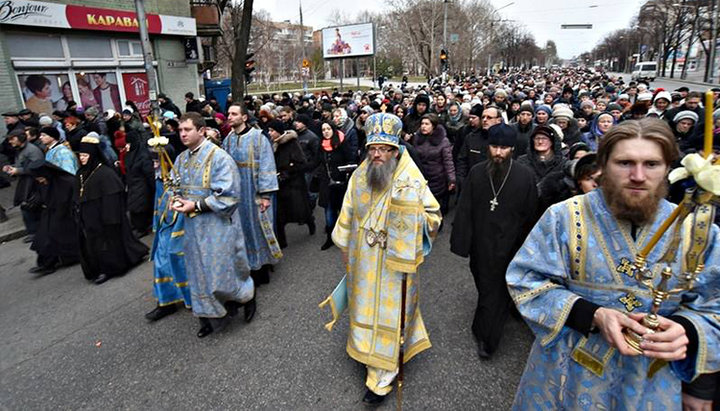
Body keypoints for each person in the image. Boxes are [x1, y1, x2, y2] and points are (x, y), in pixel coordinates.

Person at [506, 118, 720, 409]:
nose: (638, 175)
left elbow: (713, 305)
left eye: (652, 164)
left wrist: (688, 331)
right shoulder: (564, 216)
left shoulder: (697, 230)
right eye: (625, 163)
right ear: (603, 167)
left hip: (652, 381)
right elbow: (526, 280)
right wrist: (591, 314)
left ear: (668, 168)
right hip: (565, 373)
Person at [330, 113, 442, 405]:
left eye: (383, 149)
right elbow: (349, 211)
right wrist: (344, 246)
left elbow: (433, 215)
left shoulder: (410, 178)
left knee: (391, 315)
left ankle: (383, 375)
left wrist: (412, 220)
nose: (377, 155)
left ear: (395, 150)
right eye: (372, 149)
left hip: (396, 264)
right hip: (364, 261)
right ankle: (368, 355)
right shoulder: (360, 175)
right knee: (364, 309)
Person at [450, 123, 538, 359]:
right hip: (481, 243)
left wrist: (526, 250)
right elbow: (465, 208)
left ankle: (486, 339)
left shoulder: (525, 176)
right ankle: (497, 313)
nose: (498, 153)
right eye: (495, 147)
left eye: (504, 148)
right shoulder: (478, 172)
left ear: (512, 149)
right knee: (485, 285)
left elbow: (530, 215)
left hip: (510, 246)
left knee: (494, 291)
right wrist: (461, 242)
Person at [171, 112, 256, 337]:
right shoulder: (180, 159)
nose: (183, 134)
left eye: (187, 130)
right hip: (192, 228)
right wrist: (175, 199)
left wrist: (195, 206)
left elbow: (229, 196)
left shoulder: (219, 157)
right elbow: (175, 186)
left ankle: (247, 298)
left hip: (218, 225)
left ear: (201, 130)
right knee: (198, 271)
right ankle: (207, 316)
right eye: (180, 130)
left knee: (223, 270)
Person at [223, 103, 282, 285]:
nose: (230, 117)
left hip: (254, 193)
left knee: (258, 229)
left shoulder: (258, 138)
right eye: (229, 114)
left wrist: (265, 195)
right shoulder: (228, 139)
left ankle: (262, 269)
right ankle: (246, 267)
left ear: (244, 117)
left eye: (234, 114)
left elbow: (267, 166)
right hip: (236, 194)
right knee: (241, 231)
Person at [75, 136, 148, 285]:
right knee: (93, 244)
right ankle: (98, 268)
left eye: (85, 155)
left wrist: (110, 218)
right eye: (80, 155)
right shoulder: (81, 173)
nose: (82, 158)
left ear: (92, 155)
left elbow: (112, 197)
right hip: (89, 217)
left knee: (107, 244)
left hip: (104, 217)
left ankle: (109, 269)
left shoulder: (104, 173)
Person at [144, 150, 191, 322]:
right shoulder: (158, 179)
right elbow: (158, 203)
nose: (154, 165)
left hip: (181, 225)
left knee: (179, 260)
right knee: (161, 261)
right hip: (165, 227)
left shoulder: (178, 177)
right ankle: (165, 302)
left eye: (157, 162)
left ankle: (192, 299)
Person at [27, 161, 79, 275]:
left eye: (40, 178)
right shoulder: (45, 182)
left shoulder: (66, 182)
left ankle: (49, 264)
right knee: (43, 237)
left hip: (66, 215)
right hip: (51, 213)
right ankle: (46, 263)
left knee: (51, 237)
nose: (40, 181)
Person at [267, 120, 312, 249]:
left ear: (279, 131)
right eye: (269, 130)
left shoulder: (292, 143)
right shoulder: (273, 145)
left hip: (294, 184)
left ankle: (310, 223)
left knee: (301, 211)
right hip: (280, 184)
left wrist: (287, 172)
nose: (270, 133)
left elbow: (301, 163)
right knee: (280, 215)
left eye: (272, 131)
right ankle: (282, 241)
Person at [316, 121, 355, 250]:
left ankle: (344, 236)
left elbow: (351, 159)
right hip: (326, 183)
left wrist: (344, 169)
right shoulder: (320, 145)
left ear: (333, 129)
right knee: (329, 211)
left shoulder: (342, 142)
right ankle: (330, 237)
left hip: (341, 183)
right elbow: (317, 162)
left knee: (342, 210)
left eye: (328, 129)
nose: (326, 131)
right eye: (323, 129)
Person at [2, 130, 44, 243]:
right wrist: (11, 168)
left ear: (20, 138)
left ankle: (35, 232)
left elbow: (36, 167)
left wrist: (18, 170)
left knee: (29, 207)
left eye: (12, 139)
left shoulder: (31, 150)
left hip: (33, 184)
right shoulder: (21, 150)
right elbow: (20, 164)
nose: (10, 141)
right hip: (27, 183)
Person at [411, 113, 455, 215]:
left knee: (434, 208)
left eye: (427, 124)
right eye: (422, 123)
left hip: (437, 178)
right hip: (420, 176)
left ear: (433, 126)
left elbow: (448, 161)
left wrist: (451, 179)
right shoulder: (417, 138)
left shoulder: (443, 141)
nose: (423, 126)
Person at [123, 131, 155, 236]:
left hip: (141, 185)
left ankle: (142, 228)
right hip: (133, 184)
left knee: (139, 207)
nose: (126, 146)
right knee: (135, 207)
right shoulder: (132, 153)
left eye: (128, 143)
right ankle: (137, 226)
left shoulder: (143, 155)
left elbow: (148, 172)